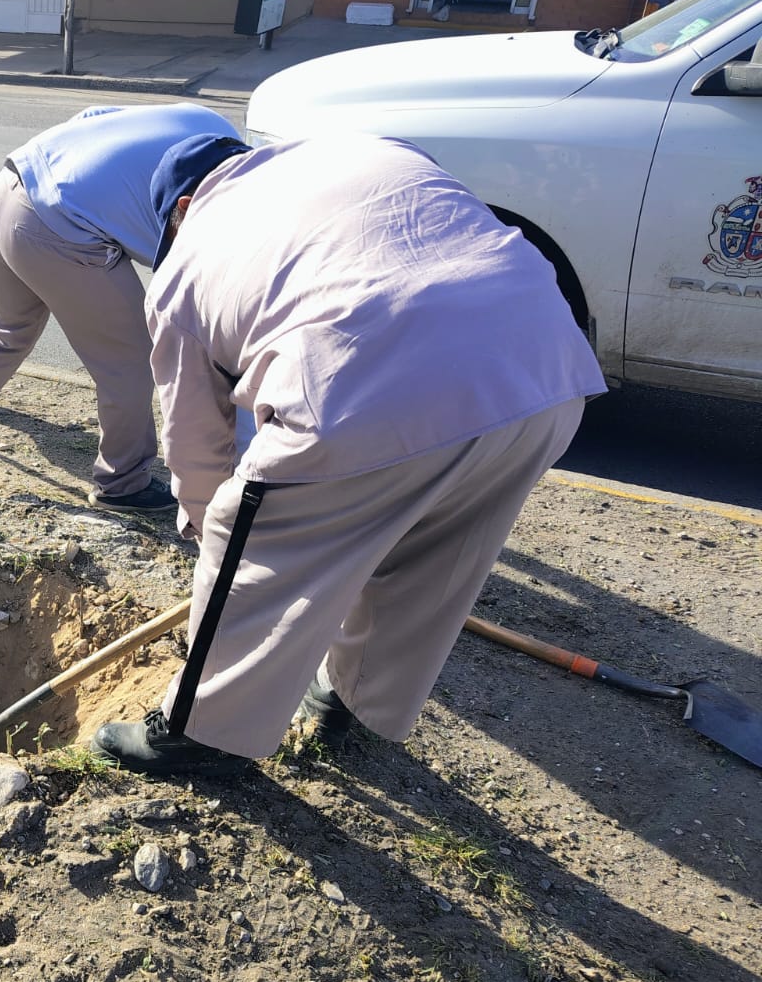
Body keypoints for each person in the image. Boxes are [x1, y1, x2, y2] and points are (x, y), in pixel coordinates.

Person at [92, 132, 606, 776]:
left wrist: (213, 536)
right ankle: (355, 699)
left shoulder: (184, 268)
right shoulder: (364, 152)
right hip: (546, 372)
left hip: (371, 389)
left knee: (244, 537)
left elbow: (195, 446)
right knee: (434, 550)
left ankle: (198, 734)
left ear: (183, 208)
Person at [0, 103, 238, 511]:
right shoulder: (222, 200)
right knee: (131, 357)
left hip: (10, 184)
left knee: (3, 333)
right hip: (60, 224)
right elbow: (188, 300)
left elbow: (91, 117)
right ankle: (123, 482)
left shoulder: (208, 122)